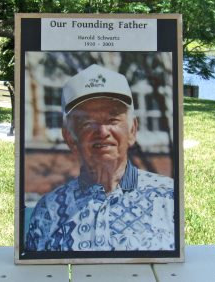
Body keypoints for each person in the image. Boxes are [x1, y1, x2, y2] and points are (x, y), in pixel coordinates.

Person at [26, 64, 174, 251]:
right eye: (87, 122)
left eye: (113, 120)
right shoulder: (49, 210)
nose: (102, 132)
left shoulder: (169, 196)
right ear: (70, 138)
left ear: (132, 130)